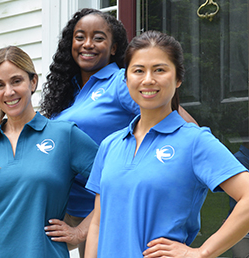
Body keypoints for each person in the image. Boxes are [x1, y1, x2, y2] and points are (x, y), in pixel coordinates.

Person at [84, 30, 249, 258]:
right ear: (126, 79)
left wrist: (202, 252)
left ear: (178, 78)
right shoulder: (110, 145)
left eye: (160, 70)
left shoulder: (194, 141)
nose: (148, 80)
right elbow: (97, 223)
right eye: (138, 70)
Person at [41, 8, 196, 257]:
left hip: (105, 213)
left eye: (99, 38)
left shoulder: (119, 82)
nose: (87, 44)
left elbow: (183, 127)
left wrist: (81, 231)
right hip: (67, 207)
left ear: (114, 48)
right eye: (80, 36)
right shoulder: (66, 92)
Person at [0, 46, 98, 258]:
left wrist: (80, 232)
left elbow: (115, 184)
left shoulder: (64, 136)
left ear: (33, 82)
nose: (9, 92)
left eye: (16, 81)